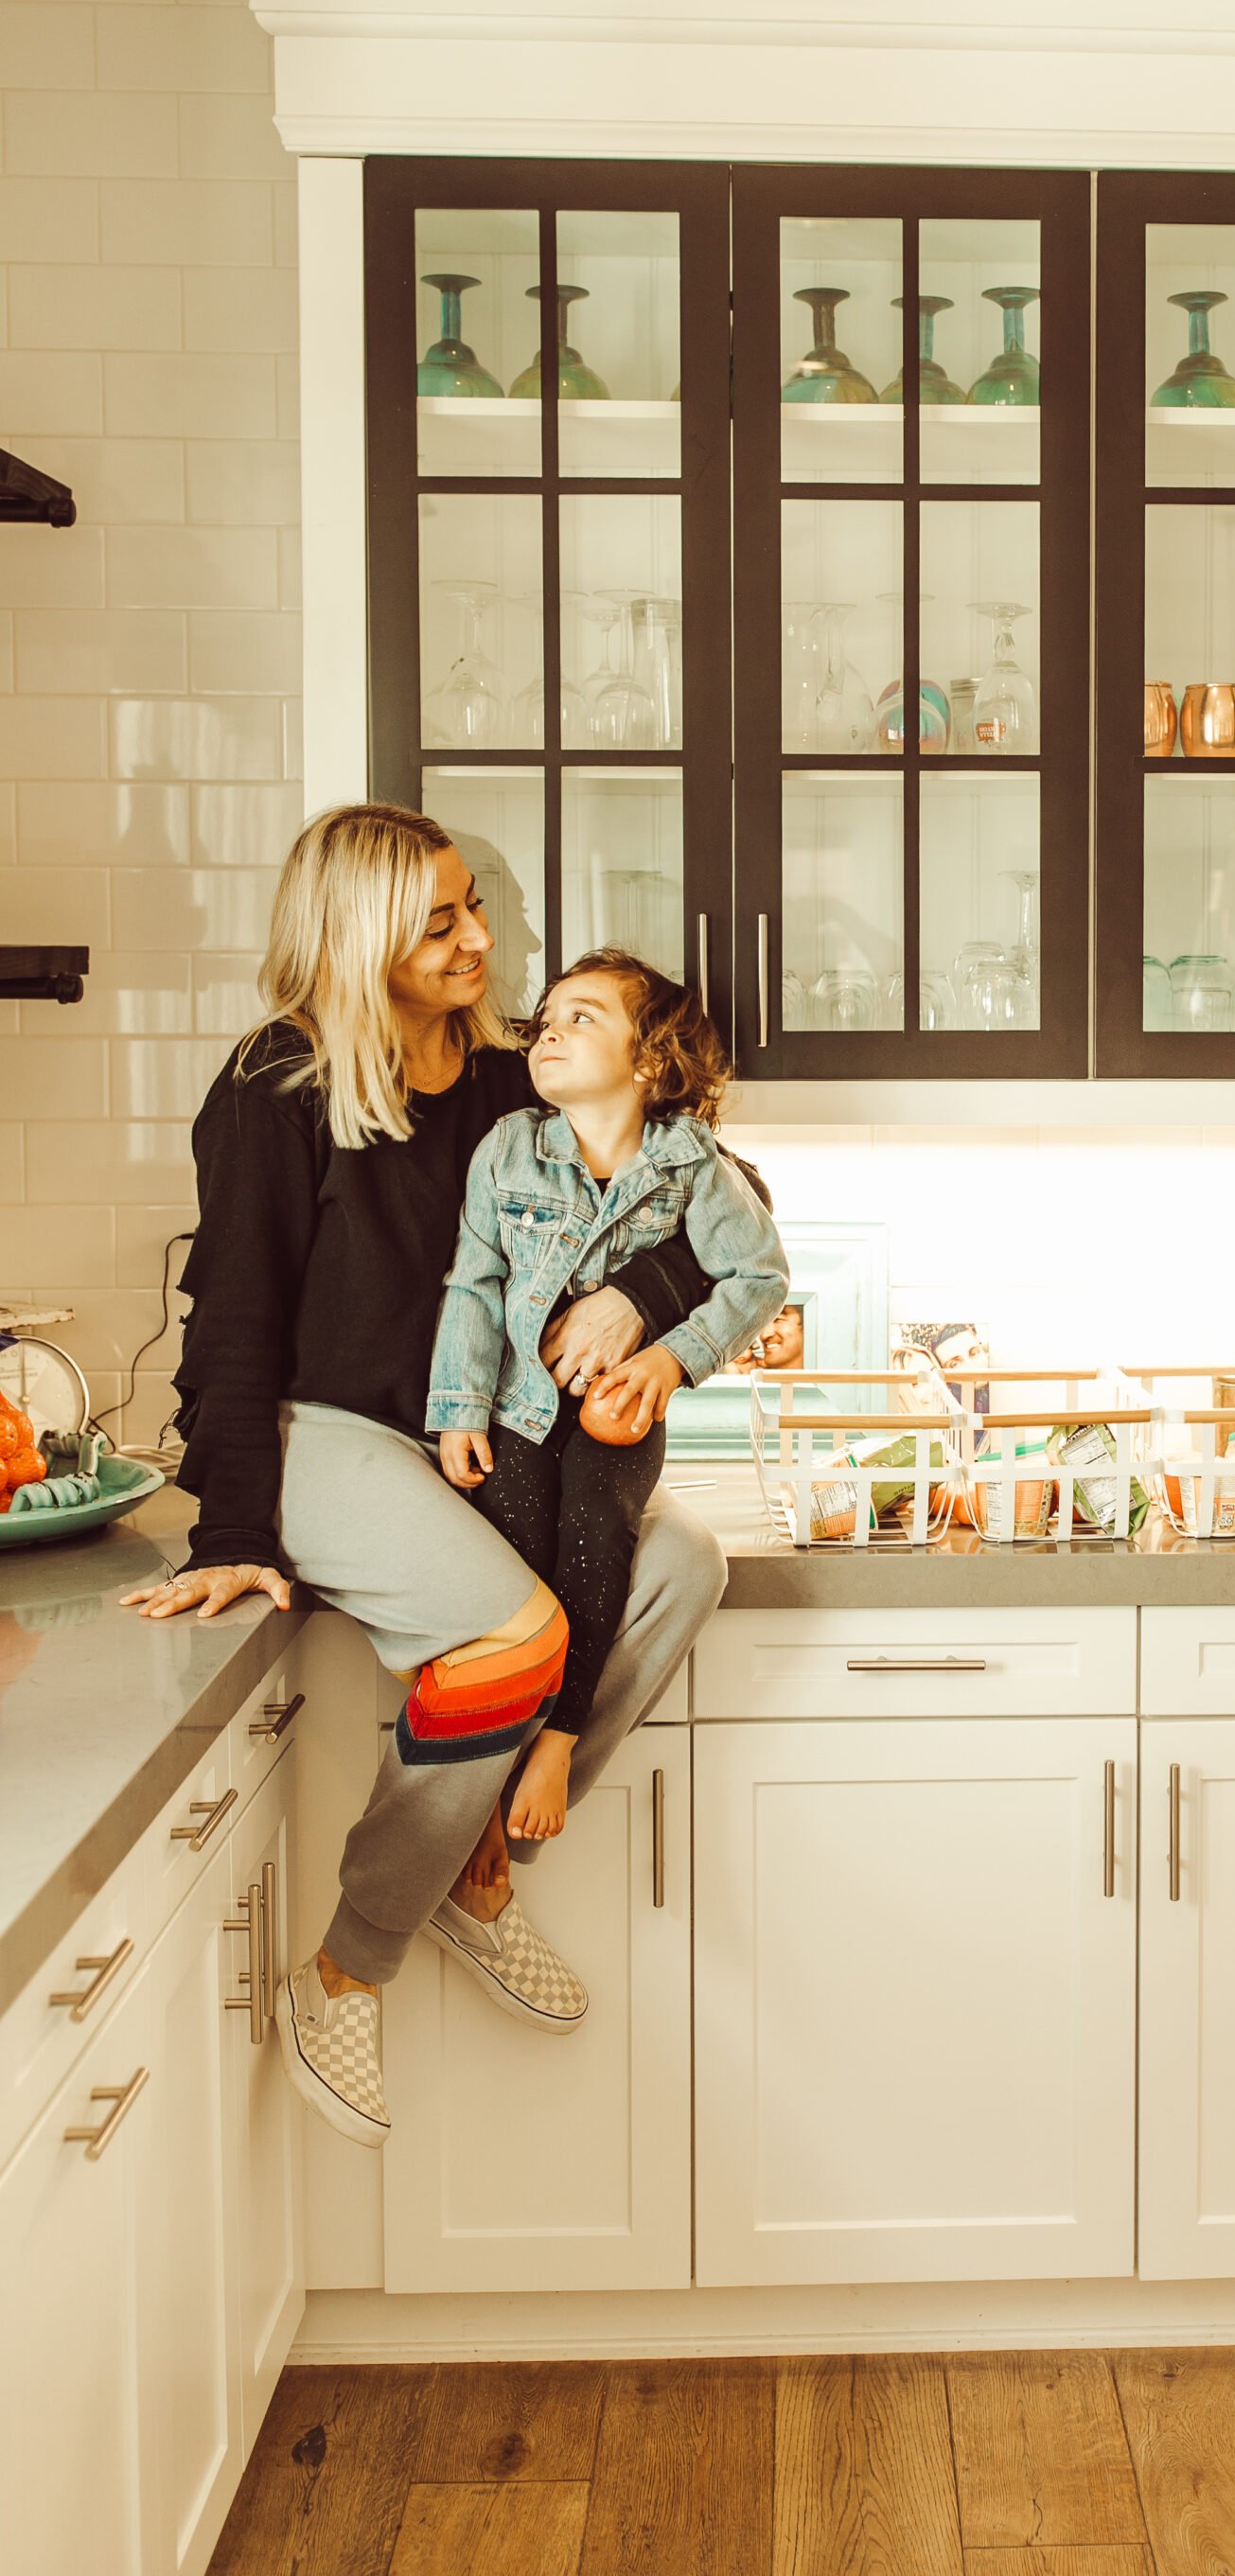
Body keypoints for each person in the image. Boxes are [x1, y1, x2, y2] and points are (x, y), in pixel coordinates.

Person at [123, 803, 736, 2152]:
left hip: (484, 1431)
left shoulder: (525, 1077)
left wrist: (640, 1303)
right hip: (328, 1433)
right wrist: (228, 1524)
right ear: (359, 939)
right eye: (444, 920)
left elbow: (713, 1196)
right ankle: (348, 1963)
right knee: (515, 1640)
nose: (483, 938)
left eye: (475, 907)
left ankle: (476, 1857)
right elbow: (229, 1320)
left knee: (685, 1565)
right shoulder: (274, 1091)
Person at [429, 947, 786, 1846]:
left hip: (622, 1411)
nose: (549, 1030)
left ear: (651, 1061)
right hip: (516, 1409)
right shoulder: (508, 1149)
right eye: (545, 1019)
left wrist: (673, 1362)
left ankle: (558, 1739)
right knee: (516, 1577)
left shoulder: (691, 1164)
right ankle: (489, 1780)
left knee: (596, 1540)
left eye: (580, 1017)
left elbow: (760, 1274)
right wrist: (461, 1406)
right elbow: (472, 1284)